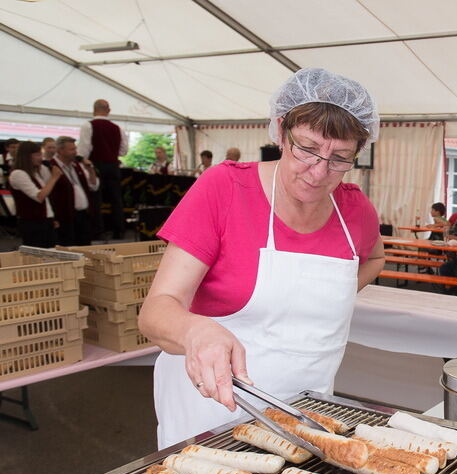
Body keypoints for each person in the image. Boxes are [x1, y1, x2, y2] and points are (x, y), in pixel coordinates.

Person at [138, 68, 384, 449]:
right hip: (209, 417)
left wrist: (324, 295)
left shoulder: (355, 210)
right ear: (281, 131)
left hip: (306, 422)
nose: (319, 172)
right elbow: (155, 311)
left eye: (339, 158)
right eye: (306, 148)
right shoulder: (224, 189)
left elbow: (375, 259)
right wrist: (194, 330)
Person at [79, 99, 128, 239]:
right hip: (113, 166)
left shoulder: (88, 125)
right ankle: (119, 231)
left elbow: (84, 149)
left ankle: (98, 231)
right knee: (116, 200)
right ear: (108, 111)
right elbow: (123, 151)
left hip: (96, 165)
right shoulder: (117, 128)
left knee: (96, 199)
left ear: (94, 109)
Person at [7, 141, 61, 247]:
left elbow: (47, 198)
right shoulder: (18, 174)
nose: (41, 158)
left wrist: (51, 218)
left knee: (52, 253)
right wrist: (54, 178)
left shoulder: (36, 173)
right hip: (32, 223)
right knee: (38, 256)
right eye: (37, 155)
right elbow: (39, 197)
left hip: (45, 221)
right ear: (27, 156)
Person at [48, 136, 99, 246]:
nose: (75, 152)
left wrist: (90, 169)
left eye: (75, 149)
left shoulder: (77, 166)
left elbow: (93, 186)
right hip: (64, 217)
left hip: (83, 215)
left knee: (85, 247)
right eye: (72, 149)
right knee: (69, 248)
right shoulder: (50, 166)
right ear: (60, 150)